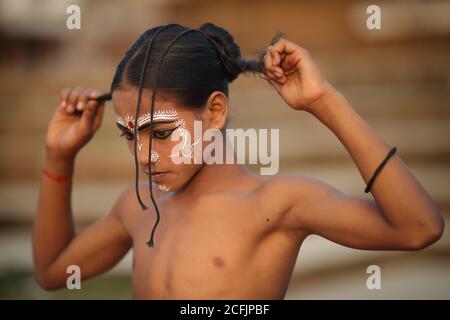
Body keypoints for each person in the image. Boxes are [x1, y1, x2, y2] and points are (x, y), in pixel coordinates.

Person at [33, 23, 444, 299]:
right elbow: (53, 271)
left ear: (214, 112)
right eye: (129, 136)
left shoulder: (276, 204)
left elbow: (418, 229)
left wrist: (326, 103)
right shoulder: (138, 206)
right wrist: (60, 156)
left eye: (160, 134)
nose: (142, 156)